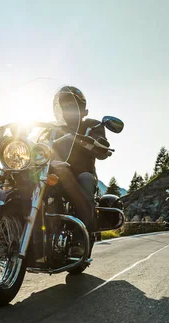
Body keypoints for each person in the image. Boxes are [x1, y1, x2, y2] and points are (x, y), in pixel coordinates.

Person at [50, 86, 111, 255]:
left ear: (82, 108)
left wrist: (99, 142)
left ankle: (81, 238)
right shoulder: (53, 129)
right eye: (64, 105)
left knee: (84, 180)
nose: (67, 108)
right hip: (54, 172)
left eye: (71, 104)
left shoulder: (92, 125)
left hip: (81, 173)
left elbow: (101, 146)